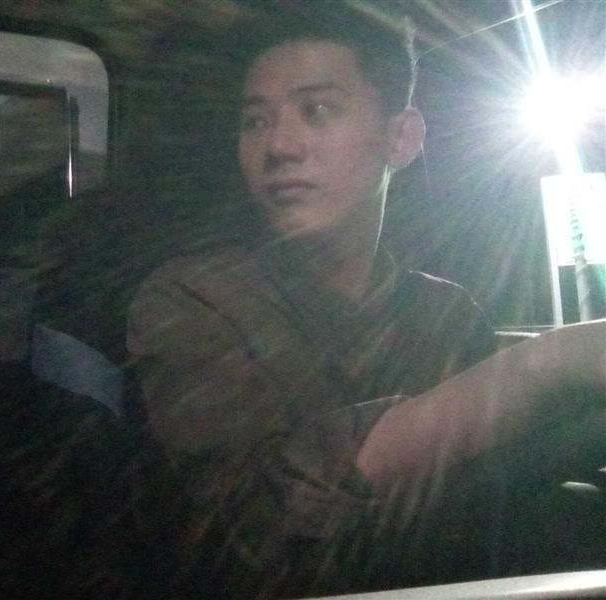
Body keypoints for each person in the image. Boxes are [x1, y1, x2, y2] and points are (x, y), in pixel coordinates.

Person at [126, 3, 606, 597]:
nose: (279, 145)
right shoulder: (191, 301)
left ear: (401, 138)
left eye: (317, 110)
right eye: (255, 121)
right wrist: (543, 366)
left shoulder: (446, 312)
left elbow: (495, 492)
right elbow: (260, 522)